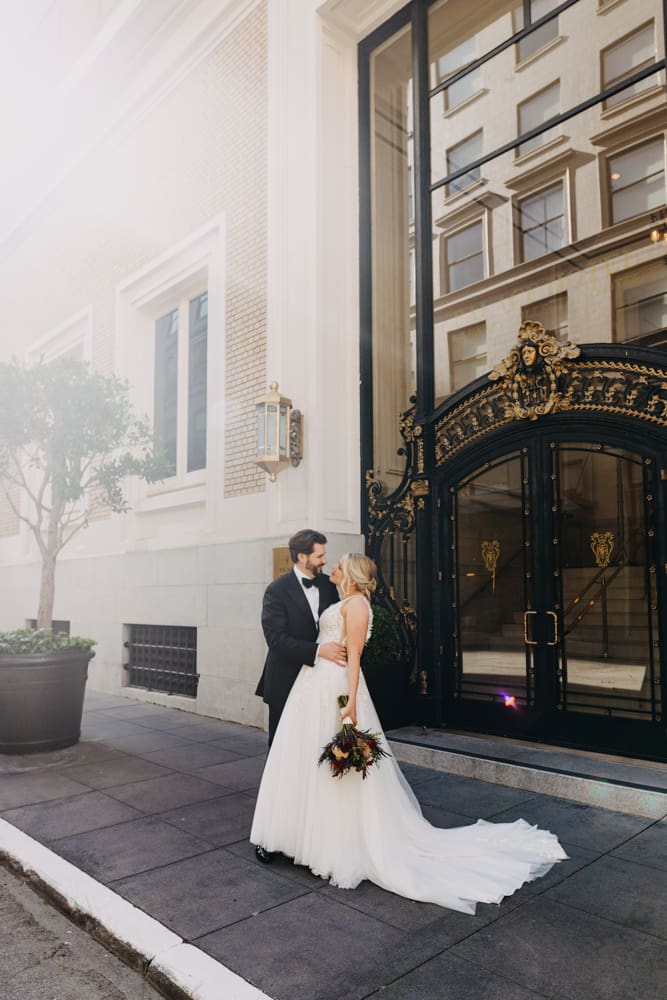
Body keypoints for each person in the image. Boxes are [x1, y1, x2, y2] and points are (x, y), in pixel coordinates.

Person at [251, 552, 567, 914]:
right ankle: (297, 837)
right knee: (306, 762)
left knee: (338, 771)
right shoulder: (342, 600)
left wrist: (350, 702)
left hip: (335, 688)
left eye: (339, 565)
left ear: (351, 575)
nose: (333, 569)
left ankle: (332, 844)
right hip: (310, 689)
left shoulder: (355, 606)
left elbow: (354, 658)